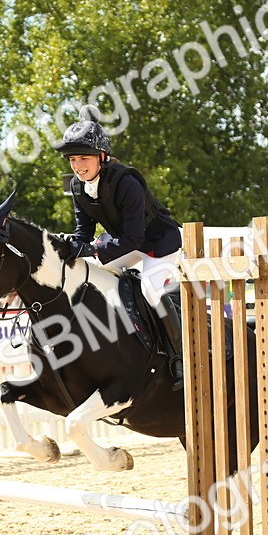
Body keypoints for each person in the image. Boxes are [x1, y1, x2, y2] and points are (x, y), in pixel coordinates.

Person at [52, 104, 185, 388]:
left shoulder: (127, 182)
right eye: (72, 159)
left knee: (150, 289)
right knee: (90, 275)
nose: (78, 166)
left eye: (84, 158)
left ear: (101, 156)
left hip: (159, 242)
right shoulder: (77, 186)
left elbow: (133, 238)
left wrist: (94, 249)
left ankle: (178, 356)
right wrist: (70, 247)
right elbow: (84, 231)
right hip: (128, 244)